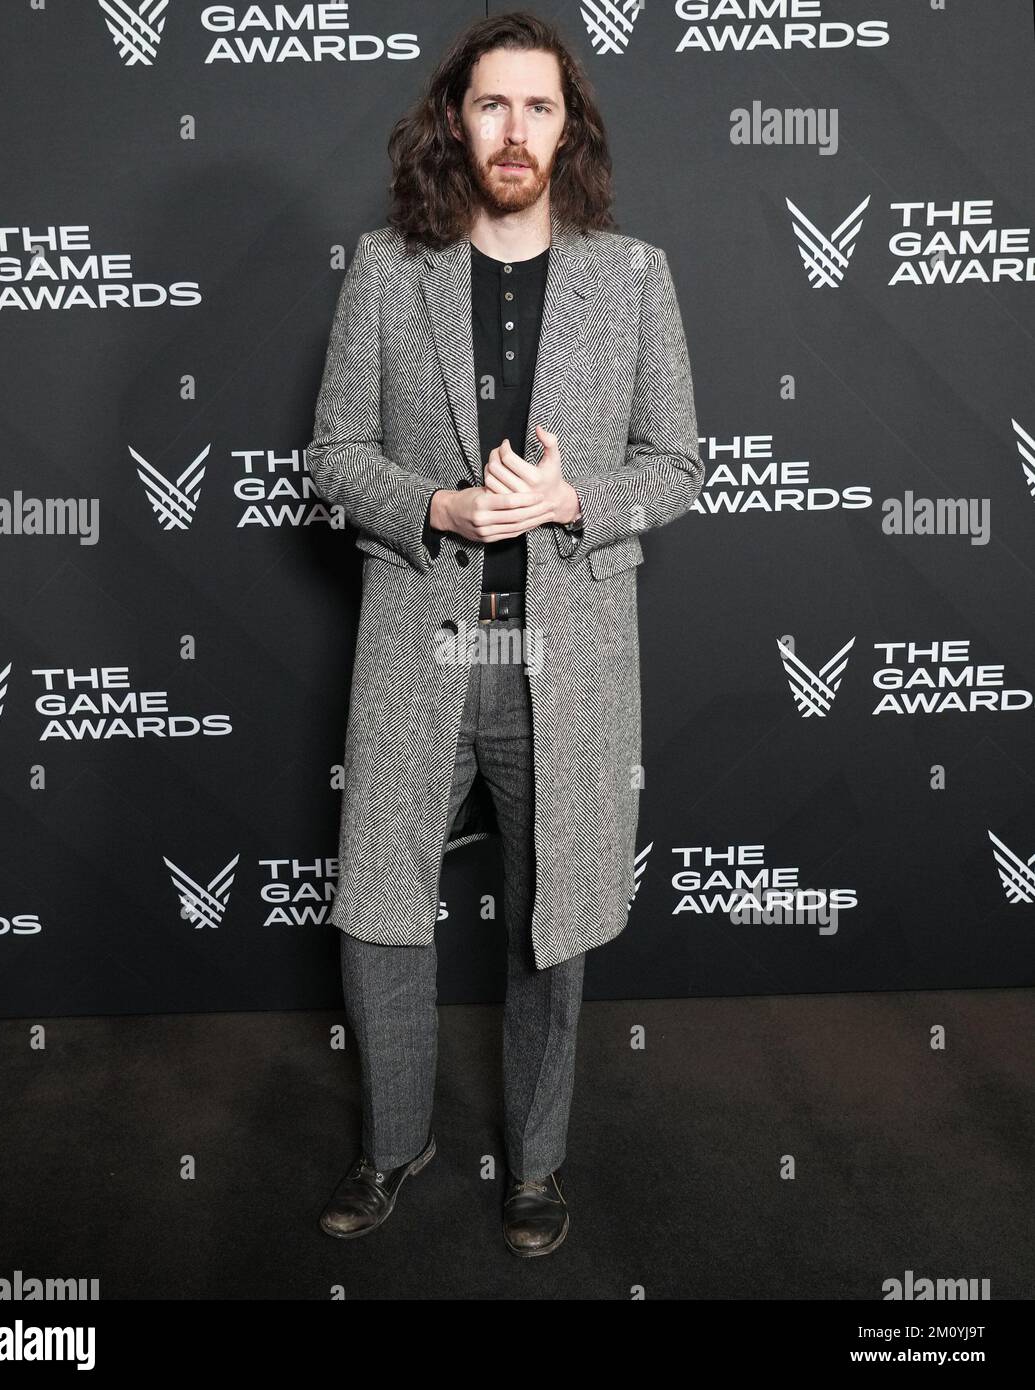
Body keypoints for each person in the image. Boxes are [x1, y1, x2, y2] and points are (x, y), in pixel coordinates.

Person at [306, 11, 704, 1258]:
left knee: (556, 917)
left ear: (567, 126)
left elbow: (678, 464)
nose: (514, 130)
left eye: (538, 107)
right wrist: (437, 504)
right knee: (377, 908)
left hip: (564, 661)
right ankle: (391, 1144)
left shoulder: (633, 274)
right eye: (491, 106)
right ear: (454, 122)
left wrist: (573, 501)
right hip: (415, 648)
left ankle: (533, 1167)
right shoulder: (386, 267)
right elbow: (330, 454)